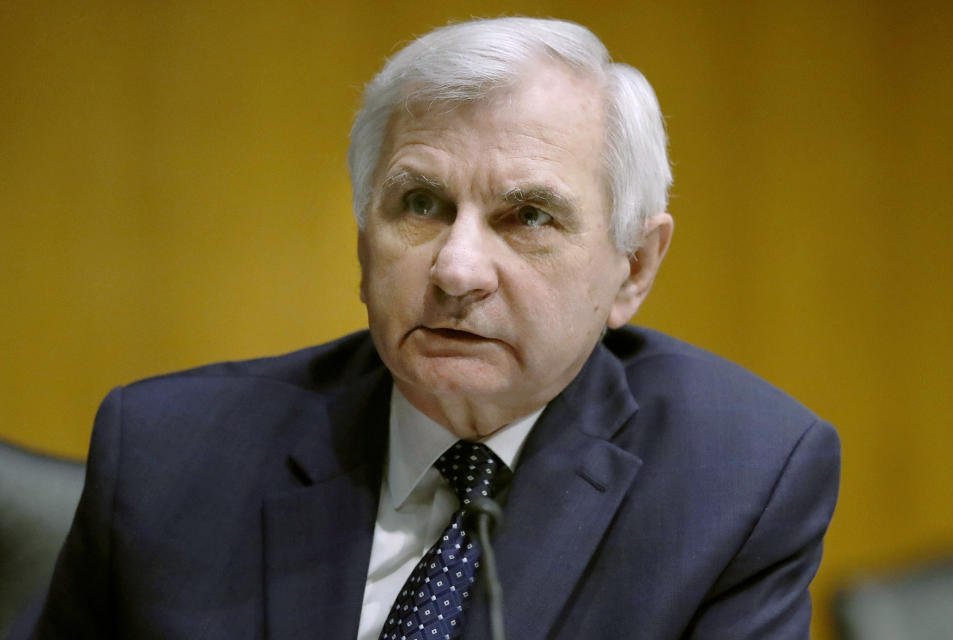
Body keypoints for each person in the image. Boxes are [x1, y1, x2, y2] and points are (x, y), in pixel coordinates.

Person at [12, 16, 840, 640]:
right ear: (363, 236)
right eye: (420, 204)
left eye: (528, 216)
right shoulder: (167, 453)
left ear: (632, 269)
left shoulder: (739, 480)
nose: (455, 271)